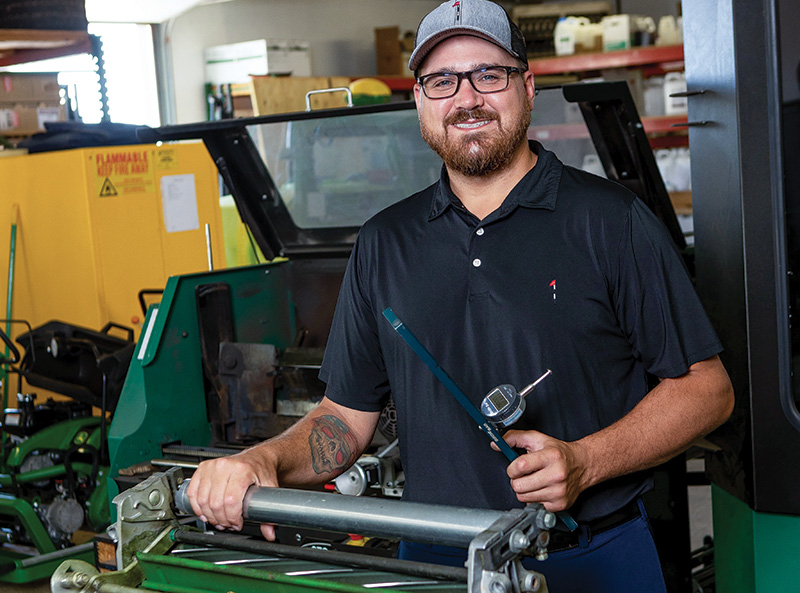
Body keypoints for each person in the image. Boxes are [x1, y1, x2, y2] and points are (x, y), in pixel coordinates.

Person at [186, 0, 734, 590]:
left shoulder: (610, 221)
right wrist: (264, 460)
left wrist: (586, 462)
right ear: (420, 101)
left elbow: (708, 390)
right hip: (434, 561)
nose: (466, 99)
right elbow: (345, 419)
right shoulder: (385, 241)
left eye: (487, 75)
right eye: (442, 81)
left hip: (590, 557)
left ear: (527, 87)